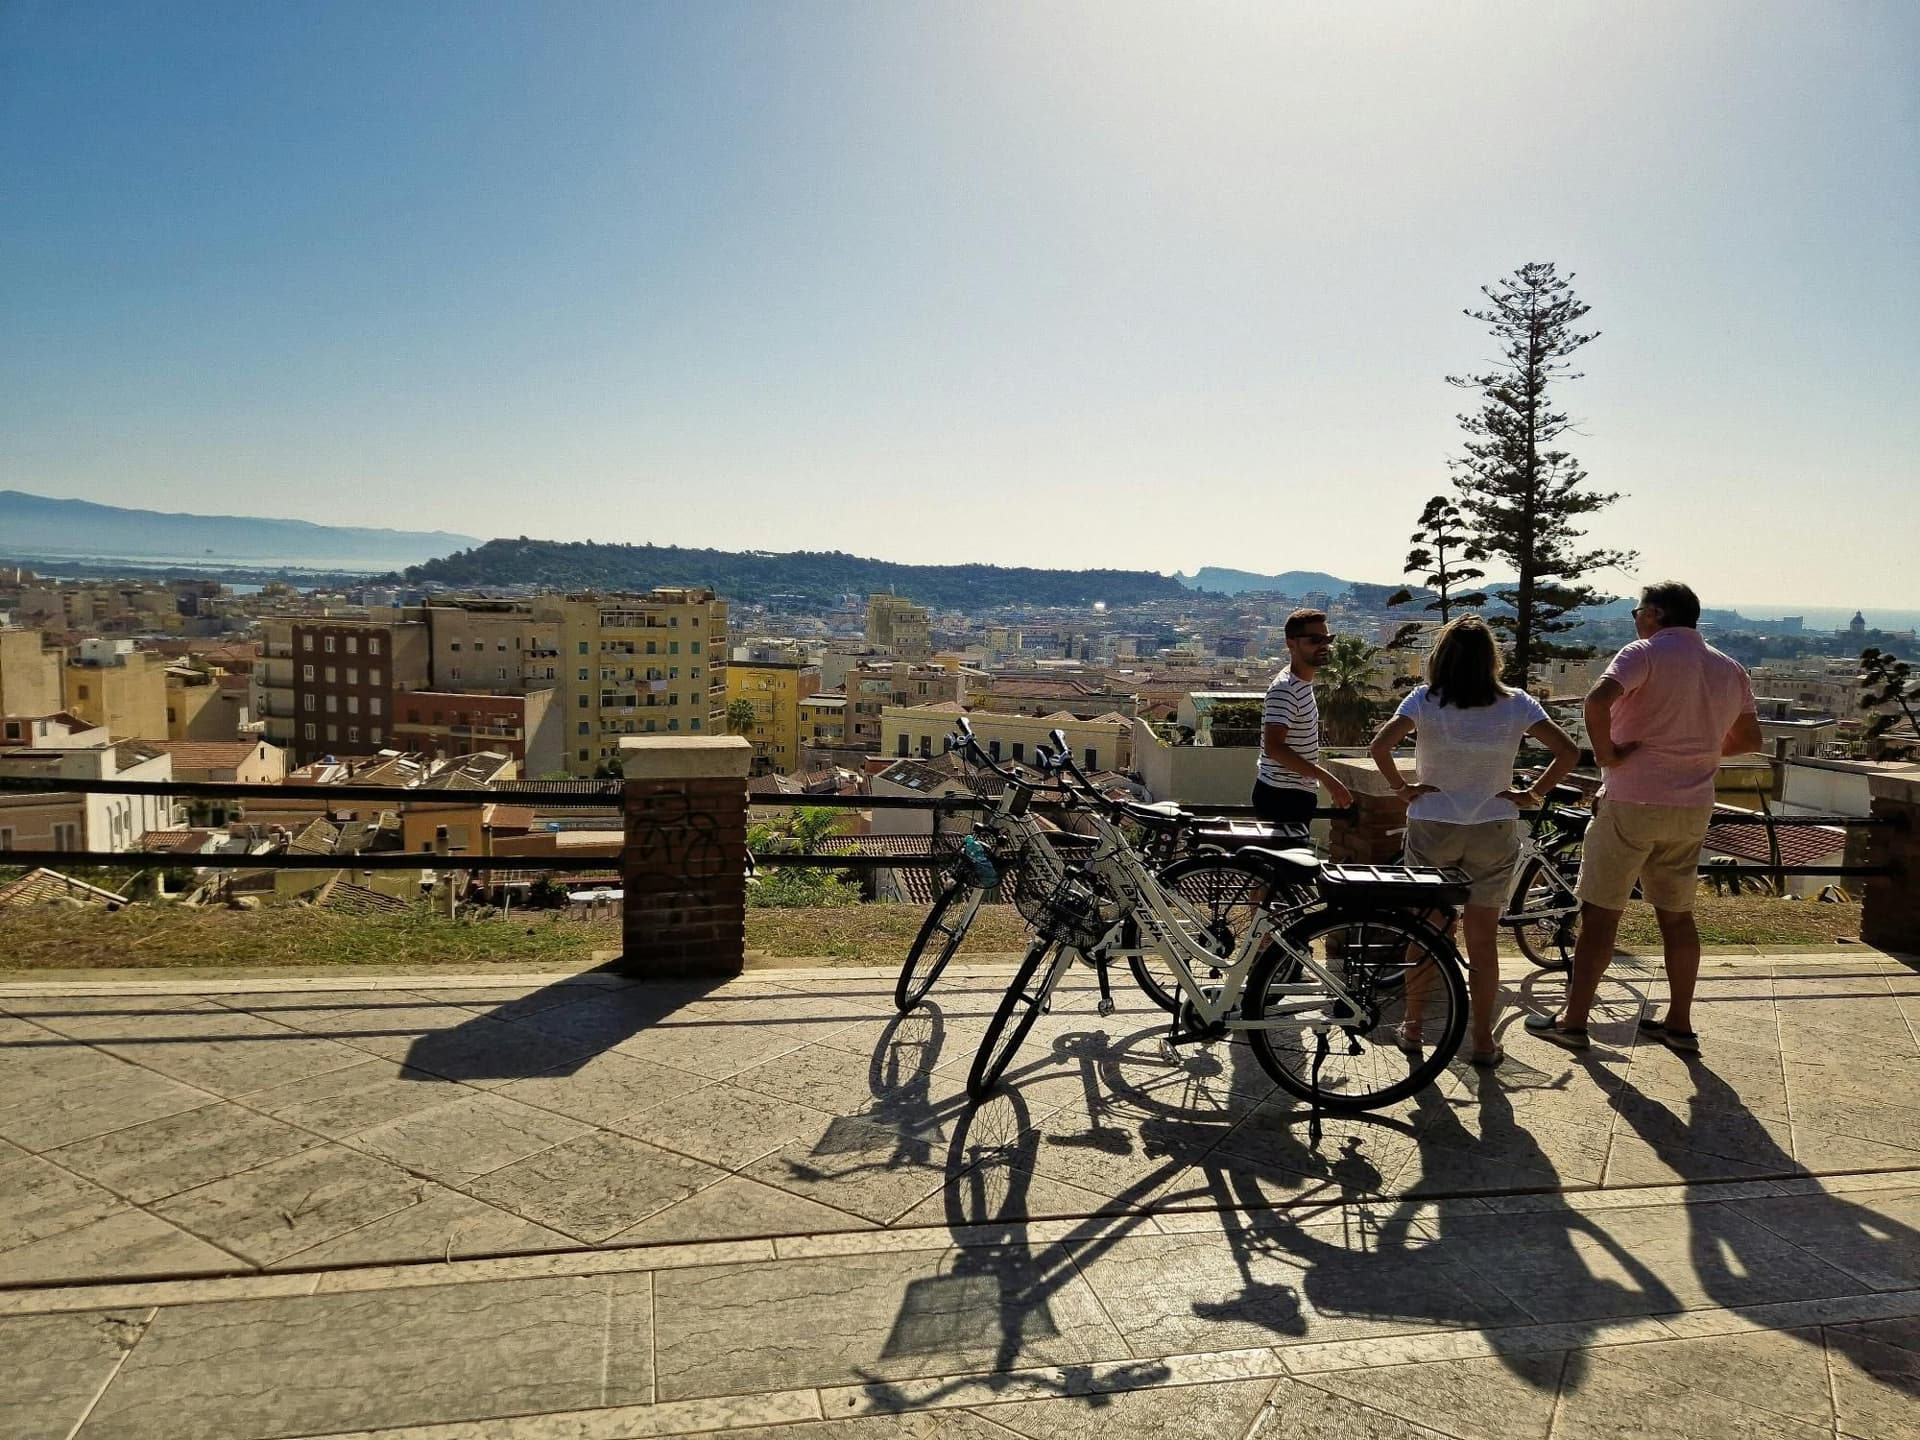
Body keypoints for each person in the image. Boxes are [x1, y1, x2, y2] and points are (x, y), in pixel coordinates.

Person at [1527, 582, 1760, 1053]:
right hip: (1692, 806)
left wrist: (1606, 754)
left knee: (1600, 914)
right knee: (1677, 917)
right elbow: (1751, 738)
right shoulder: (1730, 668)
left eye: (1637, 611)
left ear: (1654, 613)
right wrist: (1698, 751)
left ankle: (1574, 1021)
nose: (1634, 619)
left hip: (1632, 800)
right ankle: (1679, 1024)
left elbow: (1597, 700)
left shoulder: (1644, 653)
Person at [1369, 616, 1581, 1065]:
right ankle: (1482, 1040)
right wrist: (1533, 793)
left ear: (1441, 656)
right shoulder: (1517, 703)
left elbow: (1380, 746)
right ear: (1491, 659)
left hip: (1433, 822)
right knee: (1482, 941)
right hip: (1492, 824)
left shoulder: (1423, 700)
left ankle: (1413, 1027)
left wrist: (1401, 788)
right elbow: (1567, 752)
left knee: (1426, 932)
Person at [1254, 609, 1353, 829]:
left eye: (1327, 639)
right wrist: (1326, 778)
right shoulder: (1285, 689)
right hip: (1282, 796)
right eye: (1315, 640)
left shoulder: (1300, 684)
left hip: (1290, 793)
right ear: (1291, 644)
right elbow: (1274, 747)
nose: (1324, 645)